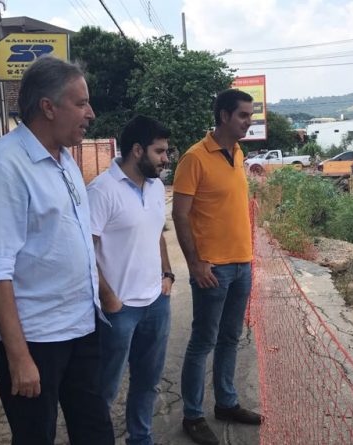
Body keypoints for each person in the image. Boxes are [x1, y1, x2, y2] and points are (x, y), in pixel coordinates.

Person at [0, 56, 114, 445]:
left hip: (80, 325)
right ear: (48, 107)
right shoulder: (3, 164)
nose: (90, 113)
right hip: (35, 337)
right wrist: (18, 357)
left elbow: (74, 242)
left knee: (96, 430)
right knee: (35, 436)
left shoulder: (66, 162)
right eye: (81, 103)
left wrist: (104, 296)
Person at [172, 89, 262, 445]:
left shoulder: (238, 153)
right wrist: (194, 264)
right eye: (243, 115)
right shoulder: (194, 158)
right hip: (213, 271)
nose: (249, 121)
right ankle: (192, 416)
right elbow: (180, 214)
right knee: (202, 341)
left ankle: (226, 403)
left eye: (250, 115)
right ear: (224, 116)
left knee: (230, 338)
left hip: (242, 265)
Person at [87, 115, 173, 445]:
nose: (166, 159)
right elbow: (85, 251)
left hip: (156, 303)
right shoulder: (102, 190)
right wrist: (109, 298)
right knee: (104, 389)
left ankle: (140, 438)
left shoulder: (155, 187)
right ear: (137, 150)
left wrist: (167, 274)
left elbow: (157, 233)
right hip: (118, 310)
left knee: (147, 382)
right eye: (159, 151)